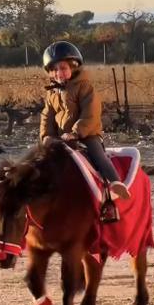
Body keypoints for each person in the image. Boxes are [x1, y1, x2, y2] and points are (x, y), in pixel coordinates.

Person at [40, 41, 131, 200]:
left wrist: (76, 132)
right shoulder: (52, 93)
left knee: (97, 154)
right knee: (40, 156)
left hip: (86, 133)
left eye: (63, 68)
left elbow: (91, 112)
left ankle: (115, 182)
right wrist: (46, 135)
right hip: (61, 138)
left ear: (73, 67)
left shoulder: (84, 87)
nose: (58, 73)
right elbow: (47, 116)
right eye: (54, 70)